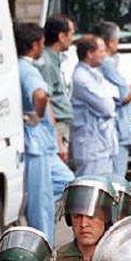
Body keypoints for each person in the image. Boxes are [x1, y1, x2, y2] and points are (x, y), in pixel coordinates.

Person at [17, 21, 62, 243]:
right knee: (40, 204)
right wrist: (37, 113)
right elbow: (40, 95)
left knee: (66, 182)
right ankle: (43, 249)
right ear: (34, 45)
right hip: (34, 143)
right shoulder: (27, 70)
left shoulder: (21, 67)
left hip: (41, 144)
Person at [70, 34, 120, 178]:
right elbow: (107, 106)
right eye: (101, 51)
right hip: (91, 147)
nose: (105, 55)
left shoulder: (95, 74)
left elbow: (116, 94)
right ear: (90, 54)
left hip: (103, 145)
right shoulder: (82, 78)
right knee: (90, 191)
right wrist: (111, 99)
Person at [97, 21, 131, 180]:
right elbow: (120, 97)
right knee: (116, 177)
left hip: (115, 129)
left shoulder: (107, 63)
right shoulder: (106, 64)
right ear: (109, 42)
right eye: (117, 40)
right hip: (117, 129)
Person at [39, 16, 76, 163]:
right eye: (71, 33)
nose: (72, 38)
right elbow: (47, 100)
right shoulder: (47, 63)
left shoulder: (55, 59)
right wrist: (57, 139)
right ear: (61, 36)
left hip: (62, 123)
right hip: (57, 124)